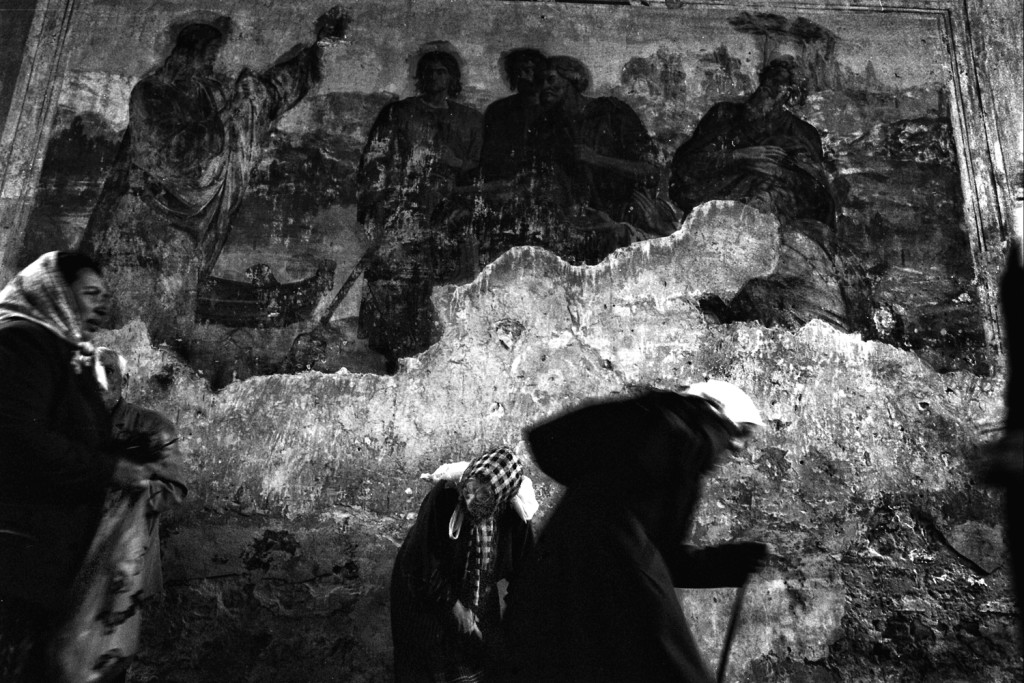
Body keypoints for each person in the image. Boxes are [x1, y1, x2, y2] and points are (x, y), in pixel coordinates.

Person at [78, 10, 347, 345]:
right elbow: (171, 155)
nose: (211, 64)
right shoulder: (150, 94)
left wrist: (314, 52)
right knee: (133, 306)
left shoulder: (211, 93)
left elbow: (264, 98)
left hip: (184, 228)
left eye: (213, 57)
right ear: (186, 54)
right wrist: (225, 119)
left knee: (172, 307)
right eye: (207, 56)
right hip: (142, 219)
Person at [493, 381, 770, 682]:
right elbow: (653, 558)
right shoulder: (676, 445)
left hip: (562, 590)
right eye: (740, 434)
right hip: (608, 597)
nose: (738, 449)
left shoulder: (662, 448)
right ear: (718, 422)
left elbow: (661, 557)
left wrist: (728, 563)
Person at [0, 252, 151, 681]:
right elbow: (18, 439)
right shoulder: (21, 343)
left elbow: (70, 433)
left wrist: (130, 456)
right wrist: (109, 470)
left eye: (105, 295)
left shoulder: (65, 351)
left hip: (44, 554)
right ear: (55, 293)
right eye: (90, 293)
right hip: (14, 554)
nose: (103, 305)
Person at [356, 44, 484, 369]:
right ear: (419, 77)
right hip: (404, 211)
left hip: (450, 215)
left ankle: (441, 358)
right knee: (396, 284)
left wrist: (457, 168)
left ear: (452, 78)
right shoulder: (399, 113)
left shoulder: (469, 119)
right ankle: (394, 355)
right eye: (428, 71)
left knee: (445, 285)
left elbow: (479, 168)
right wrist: (377, 205)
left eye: (442, 72)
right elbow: (375, 158)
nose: (434, 77)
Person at [391, 446, 534, 682]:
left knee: (481, 666)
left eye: (482, 495)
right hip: (424, 592)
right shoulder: (445, 496)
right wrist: (455, 607)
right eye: (469, 489)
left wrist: (512, 626)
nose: (470, 498)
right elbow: (419, 561)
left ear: (500, 499)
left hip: (478, 597)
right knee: (428, 668)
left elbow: (527, 576)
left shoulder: (514, 516)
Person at [669, 56, 834, 228]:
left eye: (777, 83)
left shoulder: (802, 133)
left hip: (771, 213)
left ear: (792, 95)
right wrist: (740, 156)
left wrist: (777, 172)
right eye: (766, 80)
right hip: (719, 206)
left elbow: (816, 192)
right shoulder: (724, 115)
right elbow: (686, 165)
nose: (766, 87)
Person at [524, 55, 662, 263]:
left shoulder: (611, 112)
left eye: (550, 79)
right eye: (539, 82)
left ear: (572, 79)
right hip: (574, 225)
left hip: (624, 221)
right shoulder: (545, 127)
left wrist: (597, 159)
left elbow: (650, 171)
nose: (544, 87)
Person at [480, 48, 546, 183]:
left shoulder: (554, 110)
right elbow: (490, 156)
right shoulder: (498, 110)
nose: (522, 76)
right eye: (517, 72)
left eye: (528, 70)